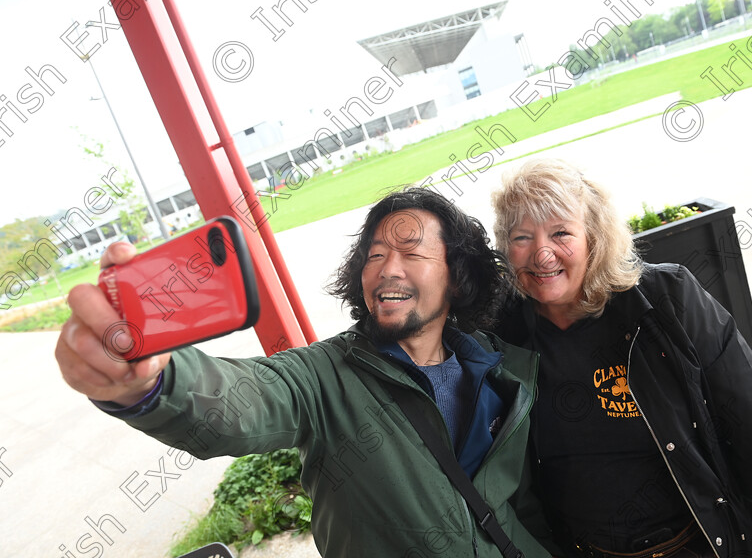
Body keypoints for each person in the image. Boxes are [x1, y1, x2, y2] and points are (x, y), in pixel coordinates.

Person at [55, 187, 552, 558]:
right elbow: (241, 401)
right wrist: (154, 382)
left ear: (457, 276)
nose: (386, 269)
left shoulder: (499, 369)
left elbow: (520, 502)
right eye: (374, 255)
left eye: (412, 253)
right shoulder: (323, 376)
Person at [490, 158, 752, 558]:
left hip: (701, 545)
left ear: (594, 237)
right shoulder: (501, 337)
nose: (542, 254)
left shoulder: (667, 299)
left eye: (561, 232)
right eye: (522, 237)